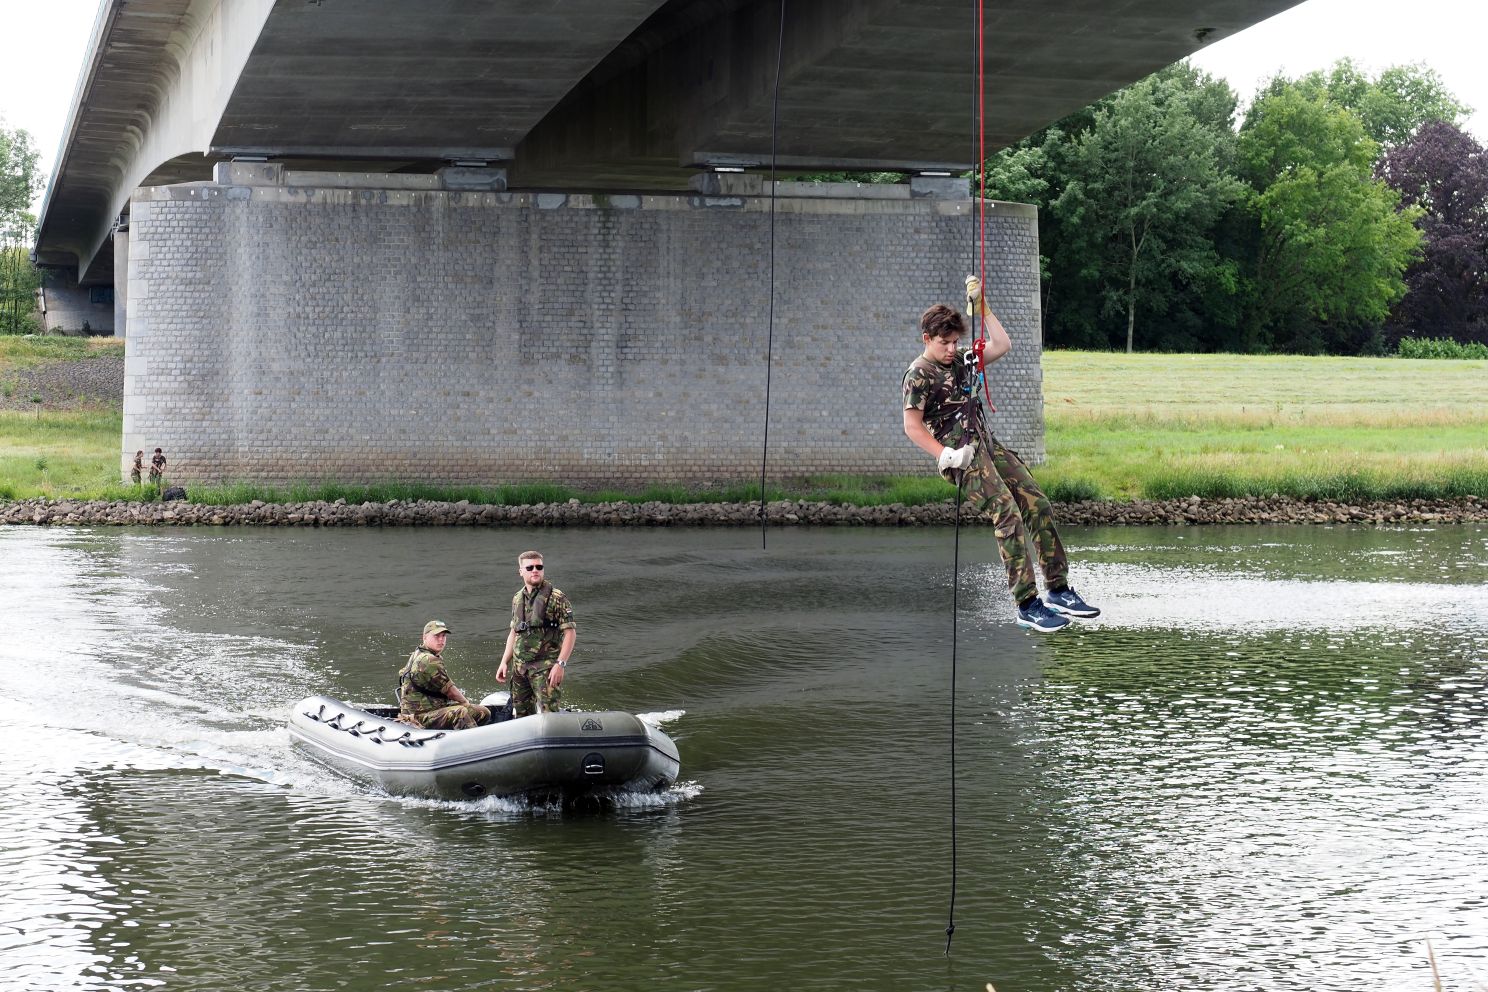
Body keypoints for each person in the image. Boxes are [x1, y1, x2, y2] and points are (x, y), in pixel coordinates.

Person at [901, 276, 1100, 633]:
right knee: (1006, 512)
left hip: (988, 447)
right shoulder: (919, 374)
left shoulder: (962, 360)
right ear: (927, 339)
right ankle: (1027, 603)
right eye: (944, 342)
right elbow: (912, 426)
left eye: (955, 341)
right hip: (961, 456)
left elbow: (1002, 344)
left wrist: (984, 307)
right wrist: (945, 454)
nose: (951, 348)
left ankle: (1058, 589)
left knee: (1036, 502)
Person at [495, 551, 576, 717]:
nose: (535, 570)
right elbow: (514, 633)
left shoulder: (557, 597)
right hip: (520, 668)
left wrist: (560, 664)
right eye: (530, 567)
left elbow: (570, 633)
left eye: (539, 567)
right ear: (521, 571)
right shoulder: (517, 598)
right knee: (522, 715)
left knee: (549, 714)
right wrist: (504, 662)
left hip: (544, 667)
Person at [395, 620, 490, 730]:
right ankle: (474, 742)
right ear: (424, 637)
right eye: (436, 636)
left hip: (432, 710)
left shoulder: (420, 653)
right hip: (418, 717)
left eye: (443, 636)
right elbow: (450, 690)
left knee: (483, 712)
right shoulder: (428, 660)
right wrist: (465, 703)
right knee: (461, 712)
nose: (441, 640)